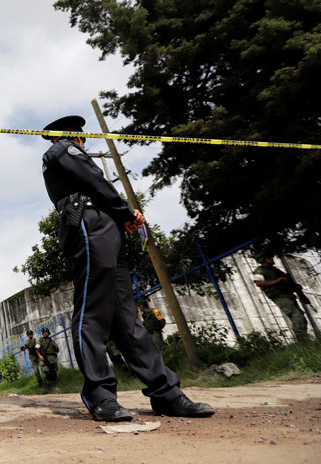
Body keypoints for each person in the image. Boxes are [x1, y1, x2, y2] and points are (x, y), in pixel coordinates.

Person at [39, 115, 214, 422]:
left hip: (107, 229)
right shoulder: (62, 149)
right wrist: (125, 211)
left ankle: (166, 392)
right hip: (87, 224)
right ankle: (100, 394)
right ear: (75, 137)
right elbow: (96, 182)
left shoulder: (69, 152)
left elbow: (96, 185)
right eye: (81, 138)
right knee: (93, 309)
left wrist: (120, 218)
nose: (82, 142)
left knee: (127, 317)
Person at [252, 250, 309, 342]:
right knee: (296, 315)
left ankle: (304, 341)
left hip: (287, 295)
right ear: (263, 259)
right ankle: (302, 341)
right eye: (269, 257)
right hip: (279, 296)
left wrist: (295, 287)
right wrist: (277, 281)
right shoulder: (260, 270)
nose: (272, 258)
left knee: (300, 317)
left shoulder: (276, 270)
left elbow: (285, 284)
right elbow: (258, 283)